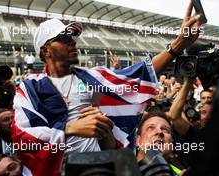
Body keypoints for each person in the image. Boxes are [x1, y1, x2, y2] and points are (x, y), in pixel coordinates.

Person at [12, 1, 202, 175]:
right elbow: (22, 136)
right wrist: (69, 129)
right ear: (46, 51)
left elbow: (137, 74)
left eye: (73, 37)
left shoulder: (90, 77)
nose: (72, 42)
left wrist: (179, 43)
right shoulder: (30, 88)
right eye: (63, 37)